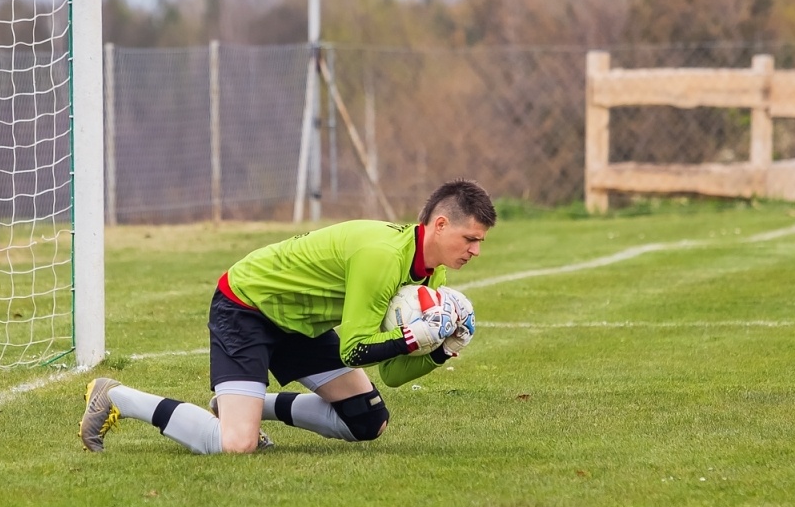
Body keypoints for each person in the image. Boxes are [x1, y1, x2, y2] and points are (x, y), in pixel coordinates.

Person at [78, 178, 495, 455]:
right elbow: (355, 350)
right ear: (441, 224)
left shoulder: (432, 273)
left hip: (300, 325)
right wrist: (413, 336)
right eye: (470, 239)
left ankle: (242, 405)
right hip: (248, 306)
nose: (476, 251)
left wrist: (440, 351)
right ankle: (116, 396)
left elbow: (392, 373)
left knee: (368, 421)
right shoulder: (382, 256)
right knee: (237, 445)